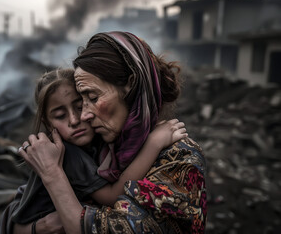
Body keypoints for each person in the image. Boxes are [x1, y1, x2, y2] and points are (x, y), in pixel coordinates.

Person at [19, 32, 207, 233]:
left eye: (92, 97)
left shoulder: (179, 158)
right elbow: (20, 207)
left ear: (130, 86)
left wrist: (52, 175)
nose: (82, 117)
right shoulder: (102, 147)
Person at [0, 69, 188, 234]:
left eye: (80, 107)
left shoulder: (99, 142)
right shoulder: (69, 154)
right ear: (49, 125)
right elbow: (112, 196)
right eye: (60, 116)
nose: (74, 120)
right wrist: (153, 144)